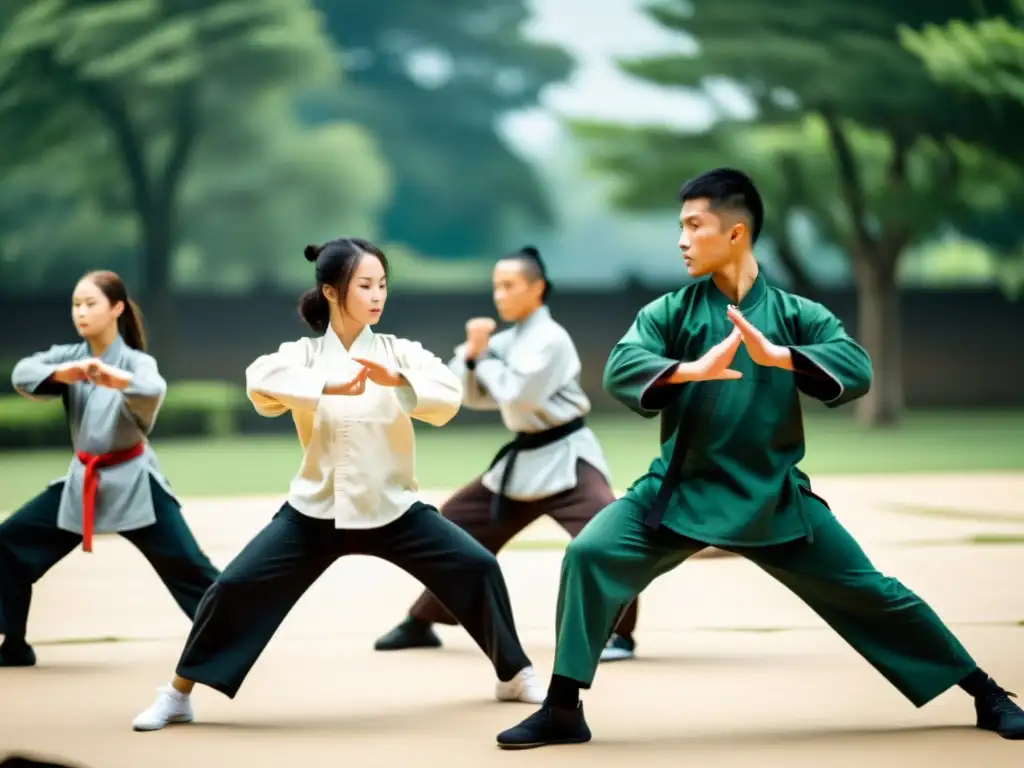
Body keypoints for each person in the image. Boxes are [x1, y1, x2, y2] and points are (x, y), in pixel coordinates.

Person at [495, 169, 1024, 749]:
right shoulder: (670, 312)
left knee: (875, 594)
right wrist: (689, 370)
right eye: (681, 226)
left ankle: (986, 692)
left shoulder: (797, 314)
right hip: (678, 492)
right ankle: (564, 708)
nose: (682, 239)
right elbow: (623, 365)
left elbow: (856, 367)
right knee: (590, 553)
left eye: (695, 225)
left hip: (774, 498)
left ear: (736, 233)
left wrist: (780, 356)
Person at [131, 237, 545, 732]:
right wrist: (326, 384)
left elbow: (447, 395)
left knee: (476, 565)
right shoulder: (302, 356)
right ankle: (178, 694)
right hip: (313, 512)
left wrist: (397, 381)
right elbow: (259, 381)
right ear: (331, 292)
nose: (377, 296)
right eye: (365, 285)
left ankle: (514, 673)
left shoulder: (399, 352)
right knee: (234, 587)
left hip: (392, 509)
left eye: (382, 286)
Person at [373, 246, 640, 663]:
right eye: (496, 286)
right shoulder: (506, 339)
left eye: (509, 285)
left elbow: (519, 394)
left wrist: (480, 356)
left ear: (537, 289)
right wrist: (474, 355)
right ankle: (422, 620)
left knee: (607, 537)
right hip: (520, 464)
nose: (500, 295)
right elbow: (471, 393)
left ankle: (619, 634)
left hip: (566, 458)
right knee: (455, 526)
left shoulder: (552, 340)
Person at [0, 271, 220, 668]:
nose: (81, 313)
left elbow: (152, 389)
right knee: (8, 544)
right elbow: (22, 372)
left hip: (134, 480)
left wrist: (118, 380)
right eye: (75, 305)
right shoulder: (69, 357)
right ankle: (14, 642)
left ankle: (230, 642)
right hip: (82, 480)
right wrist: (62, 374)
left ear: (116, 308)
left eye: (90, 304)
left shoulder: (138, 362)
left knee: (191, 569)